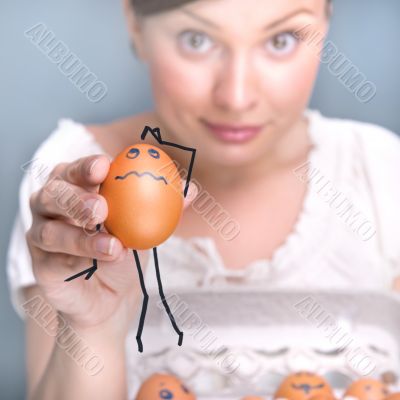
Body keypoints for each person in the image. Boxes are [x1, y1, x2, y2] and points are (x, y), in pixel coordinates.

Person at [6, 0, 400, 399]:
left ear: (326, 23)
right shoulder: (78, 184)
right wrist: (93, 329)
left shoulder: (381, 174)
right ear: (135, 25)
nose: (236, 96)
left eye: (281, 40)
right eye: (197, 40)